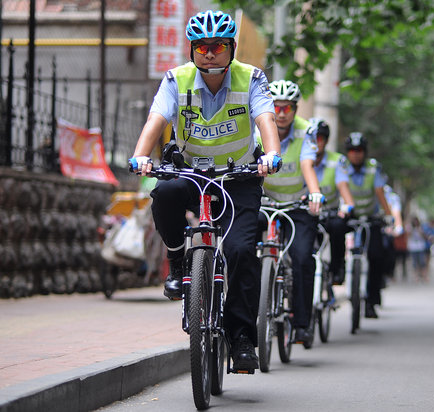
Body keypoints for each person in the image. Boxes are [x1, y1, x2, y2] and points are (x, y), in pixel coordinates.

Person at [128, 10, 282, 371]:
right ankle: (178, 259)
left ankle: (242, 339)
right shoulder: (176, 79)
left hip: (239, 178)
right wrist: (140, 155)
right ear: (192, 50)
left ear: (230, 48)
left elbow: (265, 118)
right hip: (191, 173)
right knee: (165, 194)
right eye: (201, 47)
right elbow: (157, 119)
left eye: (216, 46)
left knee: (243, 250)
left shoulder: (252, 77)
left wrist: (272, 153)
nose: (208, 53)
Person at [256, 80, 323, 345]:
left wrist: (315, 192)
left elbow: (307, 164)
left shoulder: (307, 131)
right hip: (264, 203)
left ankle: (302, 325)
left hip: (297, 206)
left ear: (295, 109)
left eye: (288, 108)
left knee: (303, 258)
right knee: (240, 246)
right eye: (277, 107)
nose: (282, 113)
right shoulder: (258, 127)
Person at [344, 132, 394, 319]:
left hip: (371, 219)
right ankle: (337, 272)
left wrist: (388, 216)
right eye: (352, 150)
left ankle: (371, 302)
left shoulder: (373, 169)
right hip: (349, 217)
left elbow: (380, 193)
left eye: (359, 150)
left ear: (365, 152)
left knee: (376, 256)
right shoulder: (342, 168)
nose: (356, 154)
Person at [310, 117, 355, 285]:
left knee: (338, 227)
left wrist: (347, 207)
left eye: (319, 138)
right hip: (305, 212)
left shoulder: (337, 161)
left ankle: (338, 269)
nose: (315, 142)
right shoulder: (301, 158)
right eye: (312, 138)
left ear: (326, 140)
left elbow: (344, 189)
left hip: (330, 213)